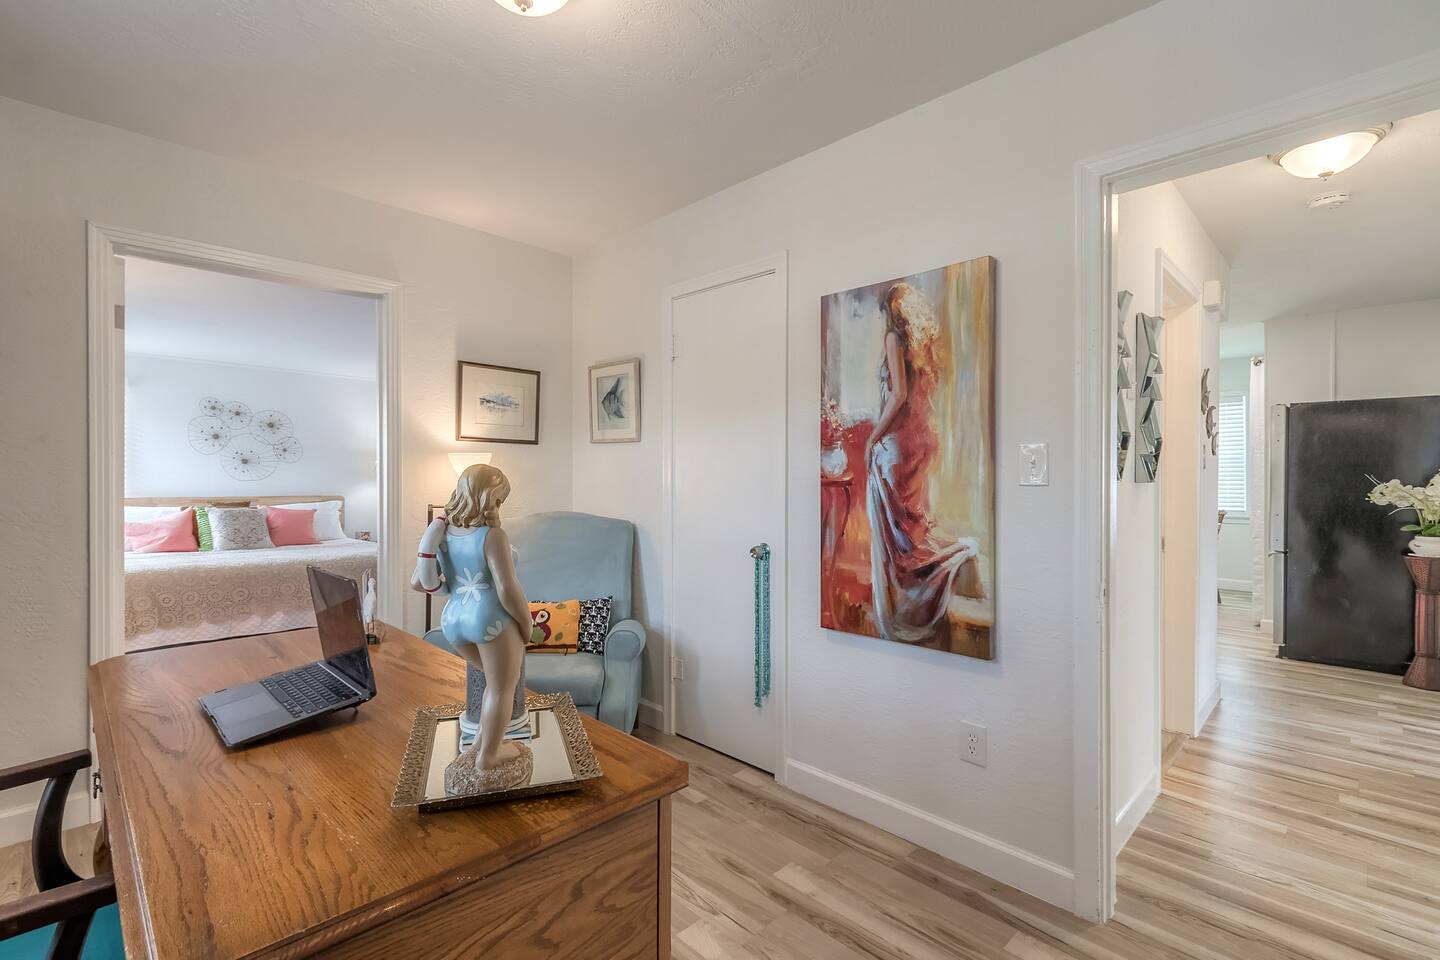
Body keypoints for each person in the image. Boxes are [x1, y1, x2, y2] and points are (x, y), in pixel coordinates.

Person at [866, 282, 987, 644]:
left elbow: (899, 394)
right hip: (922, 439)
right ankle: (951, 564)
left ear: (890, 311)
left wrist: (872, 438)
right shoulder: (922, 341)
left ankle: (906, 609)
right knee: (913, 527)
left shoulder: (894, 338)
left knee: (901, 539)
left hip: (899, 443)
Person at [412, 463, 532, 793]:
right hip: (490, 621)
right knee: (503, 688)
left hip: (454, 621)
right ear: (487, 497)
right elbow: (507, 589)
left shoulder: (443, 533)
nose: (499, 507)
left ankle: (481, 743)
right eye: (498, 500)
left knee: (493, 684)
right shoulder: (492, 536)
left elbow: (418, 582)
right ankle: (488, 758)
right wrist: (527, 623)